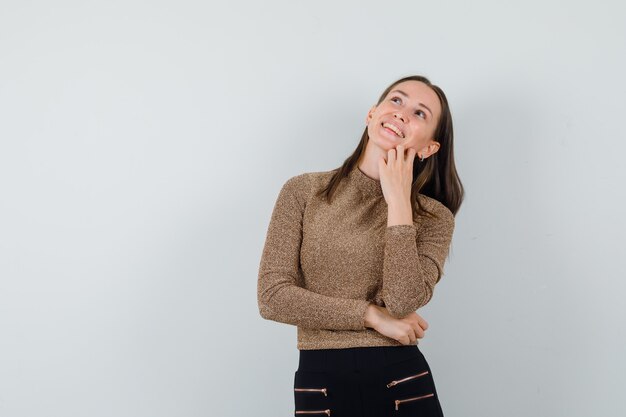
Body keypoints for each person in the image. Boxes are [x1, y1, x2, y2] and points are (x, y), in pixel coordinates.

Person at [257, 75, 464, 417]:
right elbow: (272, 297)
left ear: (429, 148)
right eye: (396, 101)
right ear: (372, 114)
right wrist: (371, 316)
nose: (401, 113)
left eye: (419, 113)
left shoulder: (433, 218)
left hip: (401, 381)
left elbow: (402, 302)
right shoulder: (303, 192)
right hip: (320, 381)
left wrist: (399, 204)